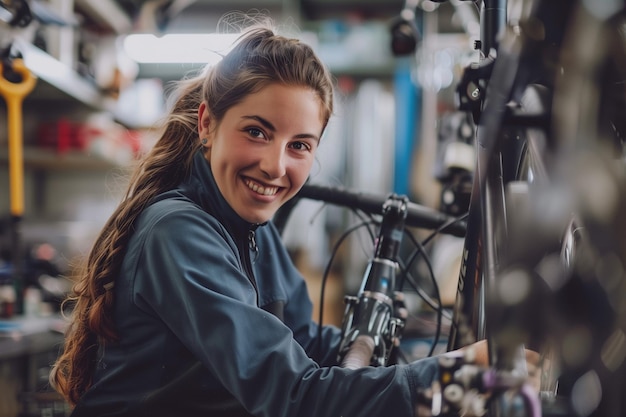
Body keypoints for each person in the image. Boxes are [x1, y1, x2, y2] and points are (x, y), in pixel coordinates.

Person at [49, 20, 538, 417]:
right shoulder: (179, 231)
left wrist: (419, 361)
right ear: (207, 124)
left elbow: (302, 340)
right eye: (257, 132)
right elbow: (293, 395)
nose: (275, 166)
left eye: (299, 145)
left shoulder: (252, 231)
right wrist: (466, 382)